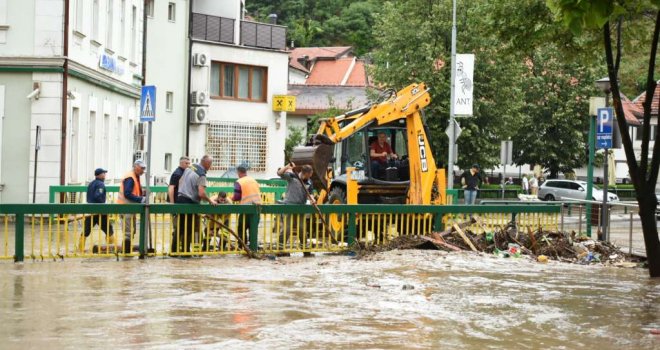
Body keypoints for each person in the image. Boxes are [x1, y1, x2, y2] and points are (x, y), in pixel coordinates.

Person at [174, 155, 217, 254]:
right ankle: (185, 253)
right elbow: (201, 193)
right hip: (189, 202)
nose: (210, 167)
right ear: (206, 163)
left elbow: (180, 181)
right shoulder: (202, 175)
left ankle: (174, 251)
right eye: (210, 164)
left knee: (179, 228)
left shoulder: (191, 166)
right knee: (188, 229)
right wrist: (210, 200)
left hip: (180, 198)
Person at [277, 163, 314, 250]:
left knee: (302, 228)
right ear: (305, 173)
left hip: (301, 207)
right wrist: (287, 166)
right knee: (287, 228)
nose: (310, 177)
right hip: (289, 205)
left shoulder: (309, 181)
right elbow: (279, 173)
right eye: (309, 175)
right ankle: (280, 248)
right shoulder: (292, 177)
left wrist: (312, 199)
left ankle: (305, 248)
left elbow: (311, 193)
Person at [80, 168, 115, 251]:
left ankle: (80, 248)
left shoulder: (91, 183)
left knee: (86, 231)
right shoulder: (100, 184)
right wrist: (103, 205)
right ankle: (111, 248)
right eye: (104, 173)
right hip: (100, 212)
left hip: (90, 211)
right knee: (109, 230)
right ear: (99, 175)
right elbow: (98, 196)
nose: (105, 175)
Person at [117, 160, 147, 251]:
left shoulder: (135, 177)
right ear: (136, 167)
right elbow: (127, 193)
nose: (143, 170)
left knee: (130, 231)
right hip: (126, 207)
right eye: (142, 168)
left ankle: (127, 250)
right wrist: (141, 199)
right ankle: (126, 253)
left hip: (130, 207)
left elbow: (133, 191)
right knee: (128, 232)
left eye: (144, 168)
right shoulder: (130, 177)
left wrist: (142, 194)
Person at [233, 166, 262, 247]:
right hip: (257, 208)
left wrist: (230, 198)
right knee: (253, 228)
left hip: (246, 208)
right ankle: (253, 246)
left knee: (241, 228)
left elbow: (236, 197)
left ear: (238, 172)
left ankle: (242, 246)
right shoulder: (254, 180)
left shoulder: (239, 182)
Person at [168, 156, 190, 253]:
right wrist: (173, 204)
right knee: (178, 228)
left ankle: (180, 249)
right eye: (186, 163)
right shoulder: (177, 173)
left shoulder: (184, 173)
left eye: (189, 163)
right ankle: (175, 249)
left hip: (181, 203)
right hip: (177, 203)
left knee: (181, 228)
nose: (188, 165)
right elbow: (171, 188)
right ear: (181, 163)